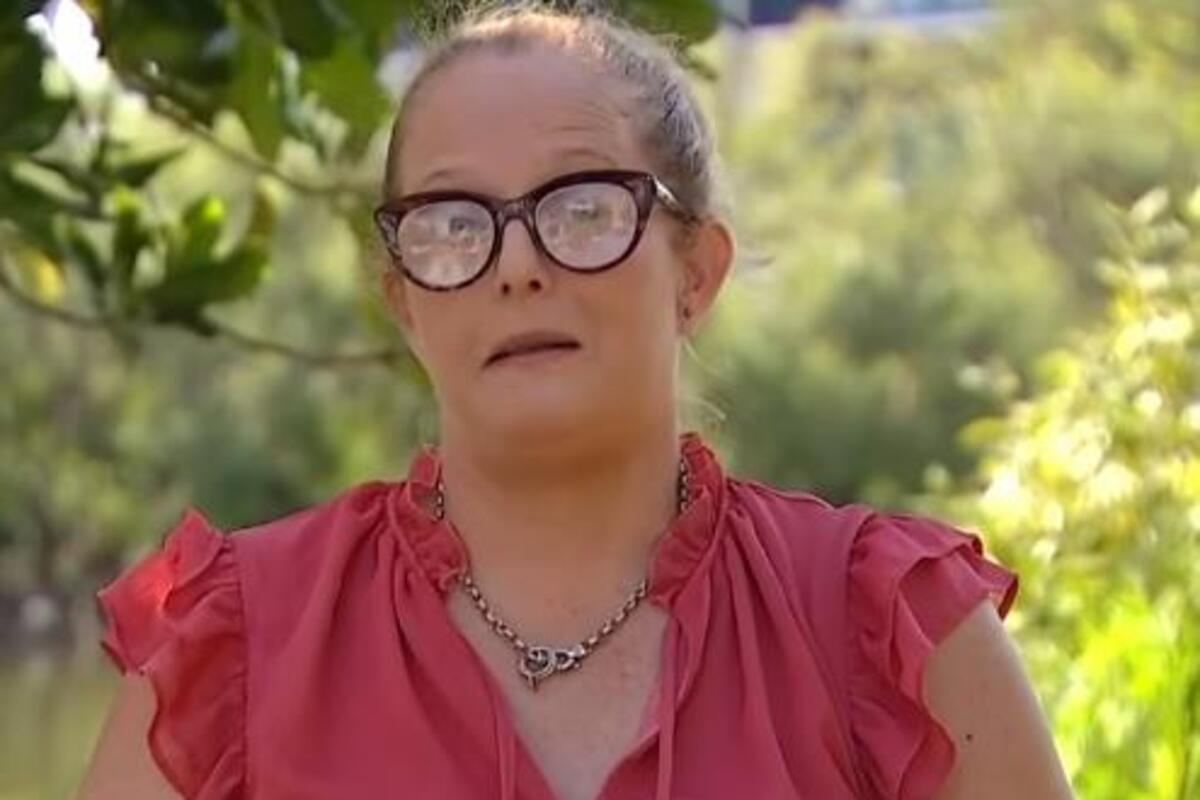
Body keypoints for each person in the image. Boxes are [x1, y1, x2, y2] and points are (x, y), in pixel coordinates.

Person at [76, 5, 1075, 800]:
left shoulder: (895, 637)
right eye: (453, 224)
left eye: (583, 208)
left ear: (696, 271)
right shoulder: (233, 649)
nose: (517, 266)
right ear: (405, 301)